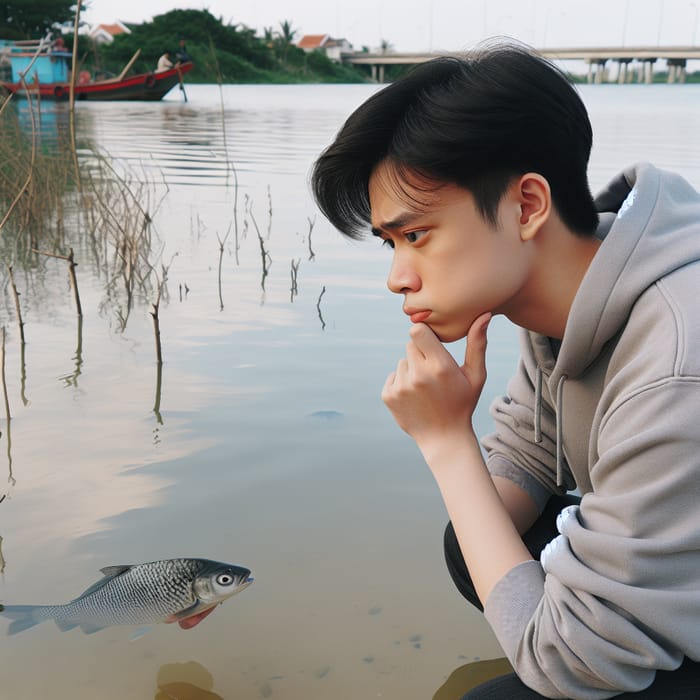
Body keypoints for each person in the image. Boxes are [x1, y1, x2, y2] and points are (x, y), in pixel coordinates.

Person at [311, 42, 700, 699]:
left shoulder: (675, 356)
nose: (397, 278)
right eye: (389, 243)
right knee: (473, 543)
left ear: (526, 207)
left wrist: (446, 444)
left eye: (417, 235)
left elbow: (567, 663)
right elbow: (534, 451)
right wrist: (473, 458)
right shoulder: (561, 289)